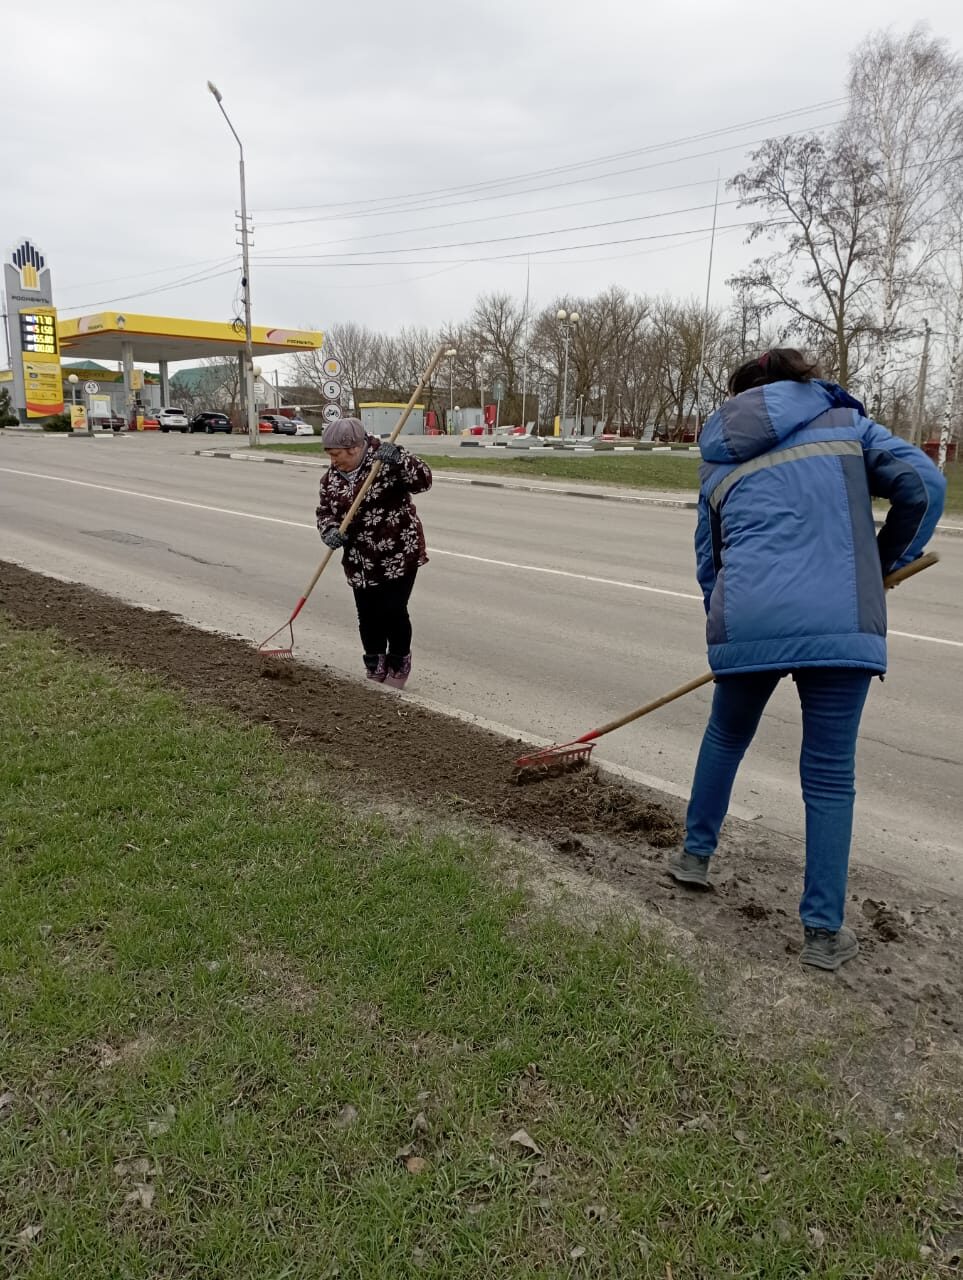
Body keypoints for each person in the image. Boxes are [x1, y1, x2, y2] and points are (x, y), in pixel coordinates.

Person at [669, 349, 945, 971]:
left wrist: (732, 627)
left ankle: (692, 857)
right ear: (802, 381)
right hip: (841, 621)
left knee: (725, 737)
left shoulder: (718, 456)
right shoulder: (845, 425)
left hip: (751, 622)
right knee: (826, 773)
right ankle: (822, 933)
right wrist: (885, 559)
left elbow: (709, 564)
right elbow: (924, 485)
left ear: (739, 397)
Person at [316, 417, 432, 689]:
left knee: (393, 610)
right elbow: (324, 512)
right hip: (359, 559)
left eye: (337, 454)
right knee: (367, 615)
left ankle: (399, 662)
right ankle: (375, 665)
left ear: (355, 449)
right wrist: (330, 530)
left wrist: (401, 459)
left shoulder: (384, 462)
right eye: (330, 455)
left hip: (397, 554)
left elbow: (423, 481)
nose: (333, 461)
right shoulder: (330, 479)